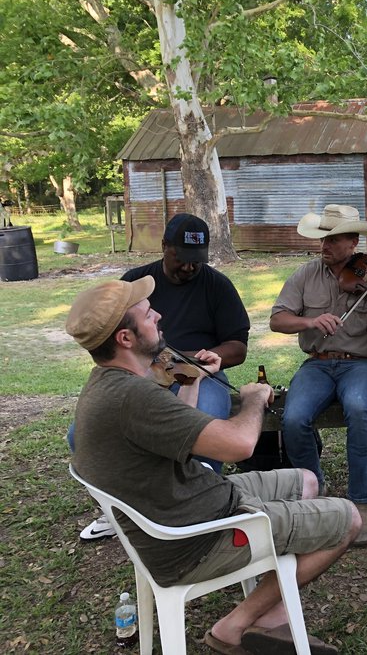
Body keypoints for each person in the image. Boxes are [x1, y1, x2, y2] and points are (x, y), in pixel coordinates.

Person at [67, 277, 359, 655]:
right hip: (197, 538)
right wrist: (254, 400)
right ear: (125, 338)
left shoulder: (110, 383)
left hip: (190, 504)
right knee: (349, 519)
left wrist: (192, 379)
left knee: (305, 481)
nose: (157, 313)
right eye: (145, 312)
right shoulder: (132, 397)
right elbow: (238, 446)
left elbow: (174, 437)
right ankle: (235, 627)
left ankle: (272, 618)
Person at [76, 212, 250, 541]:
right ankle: (121, 510)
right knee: (82, 435)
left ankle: (207, 511)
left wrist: (209, 358)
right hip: (142, 373)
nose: (189, 267)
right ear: (164, 247)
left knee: (204, 425)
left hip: (197, 371)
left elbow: (238, 348)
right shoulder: (136, 283)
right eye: (181, 259)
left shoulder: (217, 286)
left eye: (196, 261)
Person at [270, 205, 367, 547]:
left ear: (353, 242)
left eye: (334, 239)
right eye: (324, 238)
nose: (326, 245)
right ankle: (315, 493)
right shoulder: (305, 274)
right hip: (317, 363)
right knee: (293, 418)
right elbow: (277, 320)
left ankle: (361, 504)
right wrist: (309, 322)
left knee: (359, 407)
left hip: (360, 365)